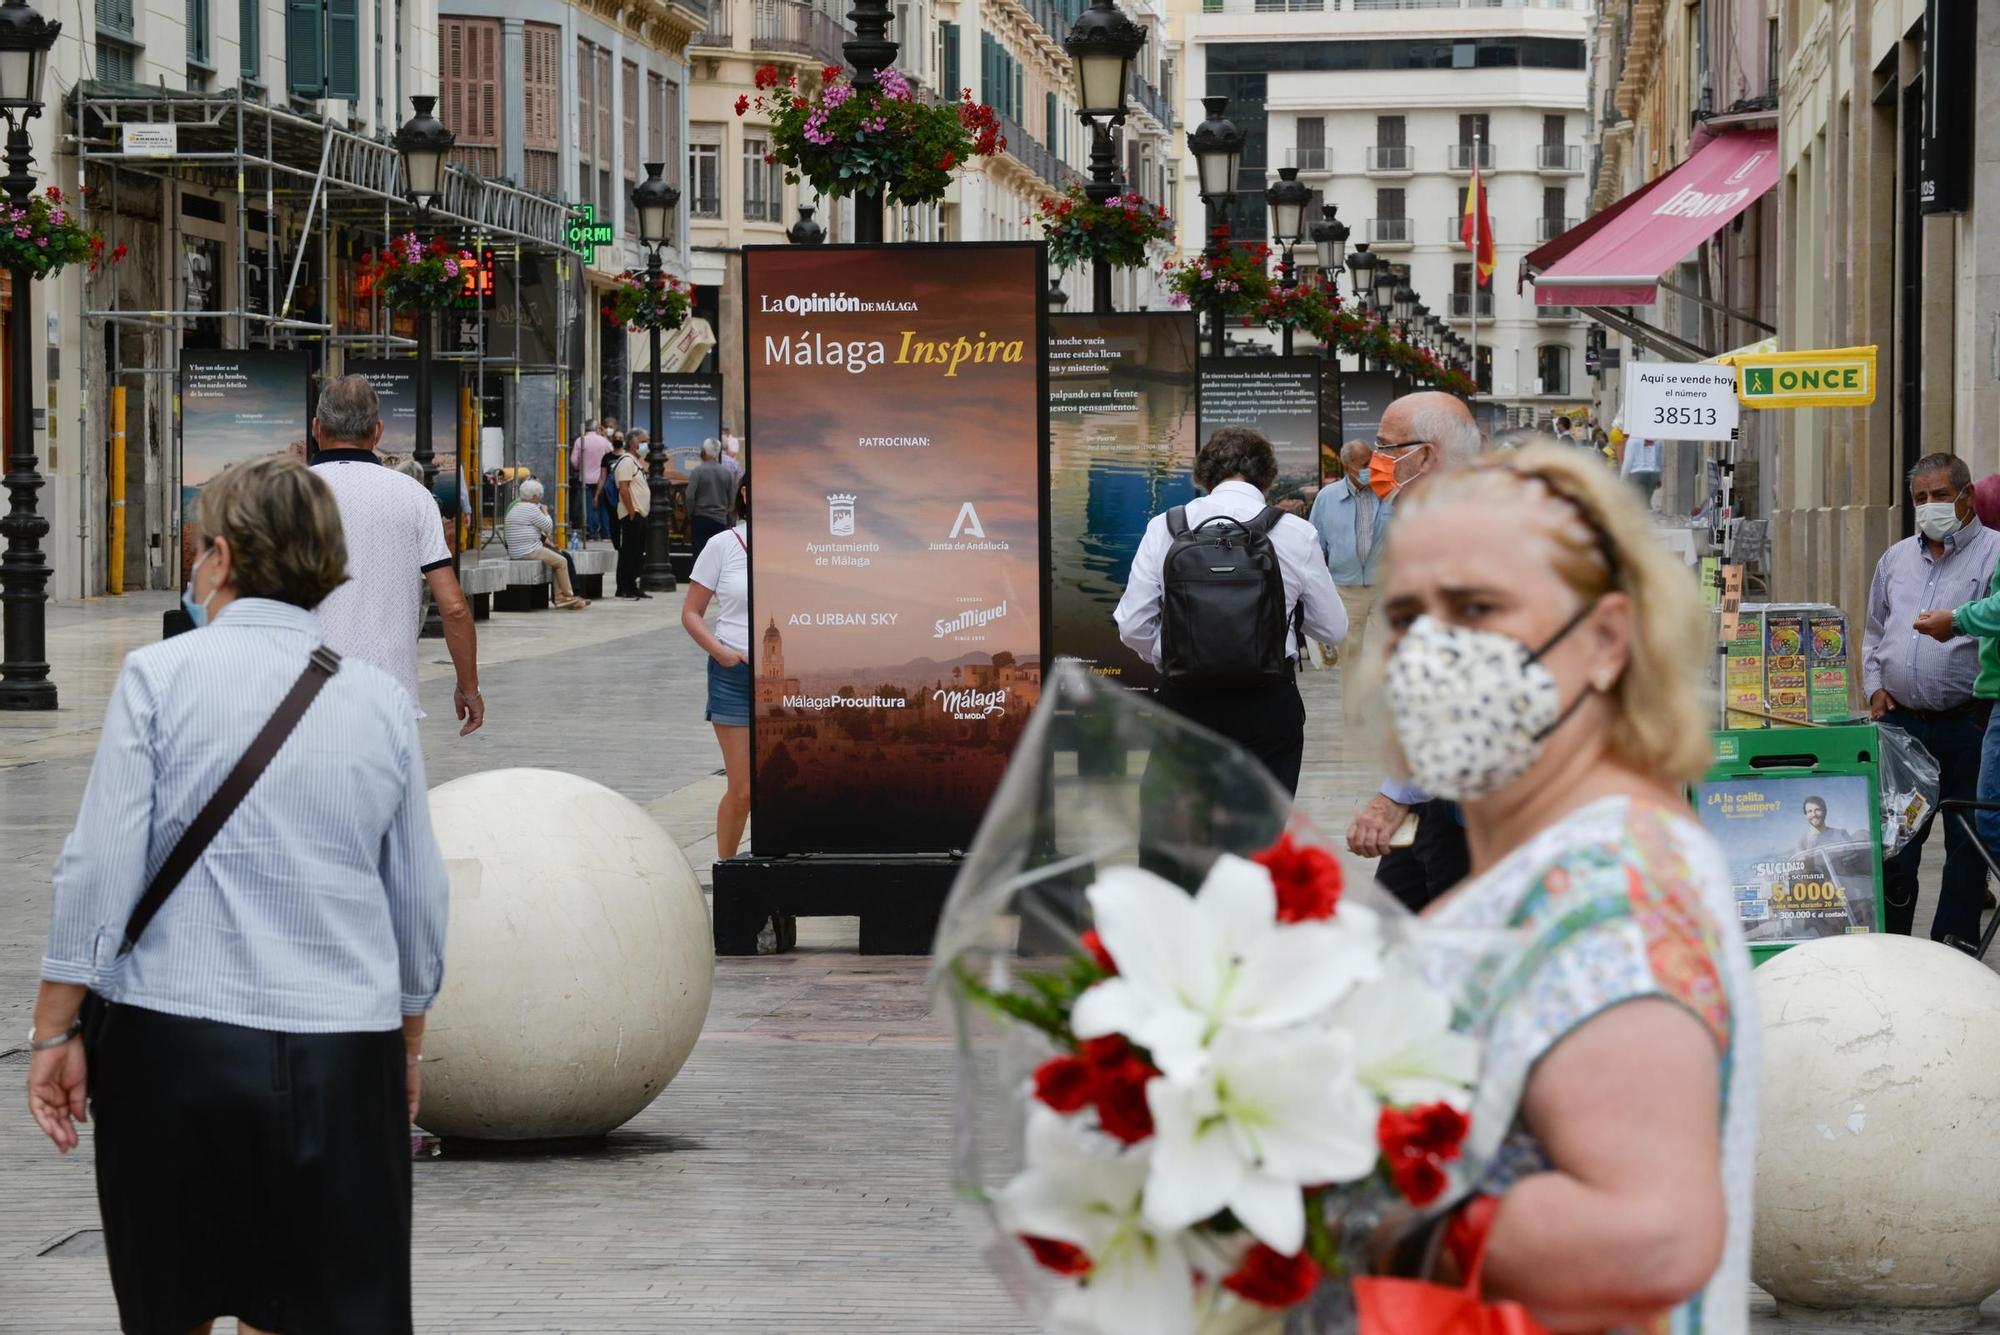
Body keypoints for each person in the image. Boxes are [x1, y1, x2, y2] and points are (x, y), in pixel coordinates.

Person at [26, 453, 450, 1335]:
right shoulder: (376, 700)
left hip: (170, 1045)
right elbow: (416, 896)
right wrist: (408, 1042)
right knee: (319, 1308)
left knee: (172, 1301)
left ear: (219, 556)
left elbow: (97, 867)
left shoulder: (158, 677)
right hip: (341, 1053)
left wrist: (54, 1029)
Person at [1376, 443, 1754, 1330]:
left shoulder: (1609, 888)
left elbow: (1654, 1234)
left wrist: (1335, 1189)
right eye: (1405, 614)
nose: (1433, 647)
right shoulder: (1580, 846)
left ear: (1606, 640)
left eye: (1477, 608)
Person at [1114, 426, 1346, 795]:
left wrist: (1173, 656)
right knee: (1259, 837)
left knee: (1177, 837)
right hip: (1267, 703)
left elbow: (1131, 624)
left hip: (1186, 701)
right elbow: (1332, 629)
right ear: (1268, 476)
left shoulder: (1165, 527)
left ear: (1204, 474)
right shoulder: (1297, 533)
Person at [1344, 391, 1484, 910]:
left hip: (1467, 799)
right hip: (1437, 792)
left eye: (1386, 446)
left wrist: (1394, 795)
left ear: (1425, 455)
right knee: (1389, 935)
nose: (1374, 460)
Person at [1858, 453, 2000, 943]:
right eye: (1921, 498)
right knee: (1897, 843)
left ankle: (1953, 948)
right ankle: (1895, 946)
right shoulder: (1896, 559)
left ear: (1965, 497)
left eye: (1940, 495)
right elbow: (1874, 630)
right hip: (1903, 727)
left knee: (1967, 845)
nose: (1930, 506)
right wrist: (1874, 685)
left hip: (1969, 725)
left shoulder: (1994, 554)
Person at [310, 374, 483, 735]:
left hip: (300, 694)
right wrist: (468, 686)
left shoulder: (283, 493)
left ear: (317, 427)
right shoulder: (414, 496)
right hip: (387, 695)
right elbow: (452, 607)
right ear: (377, 431)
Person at [683, 476, 752, 860]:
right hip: (735, 675)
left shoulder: (800, 545)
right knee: (742, 789)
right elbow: (691, 612)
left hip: (789, 680)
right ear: (745, 492)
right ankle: (727, 871)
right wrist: (723, 653)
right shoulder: (723, 545)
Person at [1308, 439, 1393, 714]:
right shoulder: (1326, 498)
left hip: (1384, 586)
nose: (1370, 468)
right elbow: (1315, 544)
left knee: (1389, 649)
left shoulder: (1389, 492)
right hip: (1346, 587)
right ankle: (1353, 711)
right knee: (1351, 651)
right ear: (1347, 466)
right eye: (1363, 464)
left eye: (1372, 461)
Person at [505, 478, 589, 610]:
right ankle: (568, 595)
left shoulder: (515, 508)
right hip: (529, 550)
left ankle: (559, 597)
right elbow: (548, 527)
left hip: (516, 551)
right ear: (534, 496)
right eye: (539, 495)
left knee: (555, 561)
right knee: (561, 561)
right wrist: (545, 512)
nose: (540, 498)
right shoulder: (531, 509)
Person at [614, 432, 652, 600]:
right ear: (632, 443)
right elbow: (623, 488)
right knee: (628, 552)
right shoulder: (626, 461)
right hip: (633, 514)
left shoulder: (637, 462)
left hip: (640, 513)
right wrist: (631, 511)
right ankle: (623, 587)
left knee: (637, 552)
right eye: (643, 441)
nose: (645, 445)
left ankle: (632, 585)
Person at [686, 440, 737, 561]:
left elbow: (689, 495)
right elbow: (732, 499)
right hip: (720, 520)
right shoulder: (726, 473)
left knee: (700, 554)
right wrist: (729, 518)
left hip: (701, 518)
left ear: (704, 452)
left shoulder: (698, 471)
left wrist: (690, 514)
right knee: (717, 556)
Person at [571, 419, 616, 541]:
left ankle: (592, 533)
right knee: (603, 506)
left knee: (590, 507)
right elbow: (613, 454)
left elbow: (574, 461)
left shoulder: (580, 441)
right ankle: (606, 533)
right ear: (597, 429)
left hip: (585, 478)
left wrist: (580, 467)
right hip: (602, 478)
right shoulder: (604, 441)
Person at [1620, 430, 1663, 508]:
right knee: (1646, 499)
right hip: (1653, 474)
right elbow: (1660, 460)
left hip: (1637, 474)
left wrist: (1622, 479)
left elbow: (1628, 462)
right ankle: (1648, 515)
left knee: (1639, 501)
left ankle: (1643, 517)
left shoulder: (1633, 440)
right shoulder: (1658, 440)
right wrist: (1660, 476)